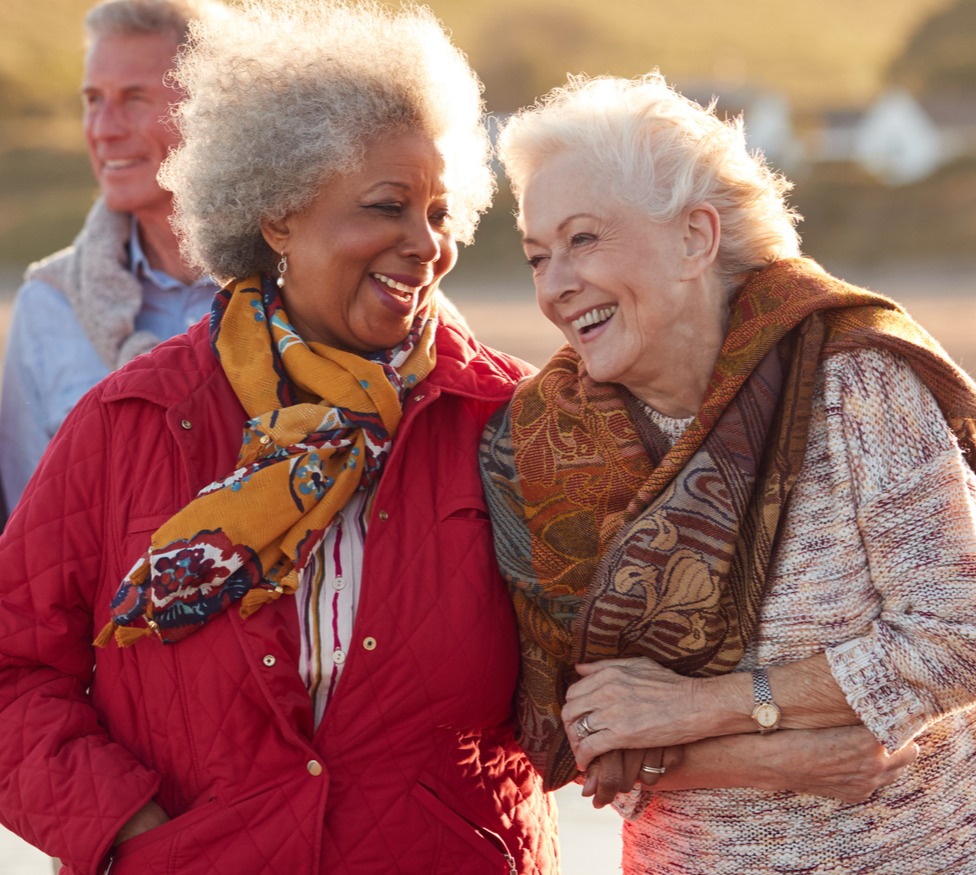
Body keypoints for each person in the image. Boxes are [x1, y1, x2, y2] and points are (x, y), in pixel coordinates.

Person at [0, 2, 559, 872]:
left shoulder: (514, 422)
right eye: (388, 207)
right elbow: (11, 665)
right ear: (277, 217)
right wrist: (131, 833)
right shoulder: (128, 421)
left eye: (441, 213)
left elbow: (602, 681)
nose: (427, 246)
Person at [480, 72, 976, 874]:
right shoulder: (540, 444)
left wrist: (694, 708)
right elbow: (578, 736)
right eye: (538, 255)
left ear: (695, 237)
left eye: (584, 239)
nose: (556, 283)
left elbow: (952, 645)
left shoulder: (855, 383)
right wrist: (789, 757)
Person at [0, 0, 224, 515]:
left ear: (213, 110)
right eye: (93, 100)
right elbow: (29, 545)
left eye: (135, 99)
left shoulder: (304, 286)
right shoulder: (47, 306)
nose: (103, 129)